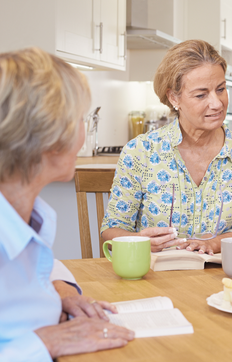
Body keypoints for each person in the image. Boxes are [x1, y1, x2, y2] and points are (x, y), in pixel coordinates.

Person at [0, 48, 134, 361]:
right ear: (49, 137)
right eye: (79, 120)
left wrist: (59, 292)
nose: (83, 133)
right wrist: (44, 344)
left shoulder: (25, 215)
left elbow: (30, 270)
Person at [101, 40, 232, 255]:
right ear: (174, 97)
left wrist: (212, 244)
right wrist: (139, 241)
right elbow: (112, 229)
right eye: (201, 94)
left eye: (221, 89)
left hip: (220, 279)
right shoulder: (141, 151)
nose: (217, 103)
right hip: (153, 279)